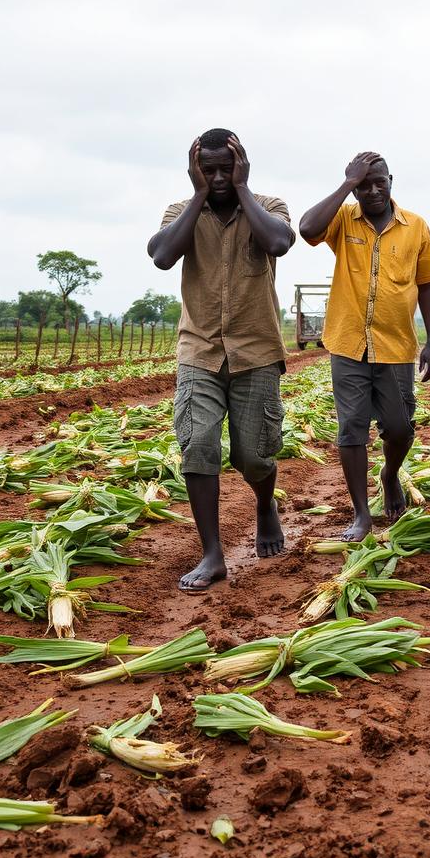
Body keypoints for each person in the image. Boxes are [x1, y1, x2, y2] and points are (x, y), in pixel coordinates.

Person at [148, 128, 295, 591]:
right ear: (194, 171)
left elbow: (279, 243)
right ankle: (212, 553)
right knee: (198, 444)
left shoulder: (268, 207)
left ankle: (264, 504)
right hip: (200, 349)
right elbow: (162, 256)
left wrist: (244, 188)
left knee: (253, 455)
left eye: (224, 169)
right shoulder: (182, 212)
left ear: (242, 165)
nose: (217, 178)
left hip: (256, 350)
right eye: (206, 170)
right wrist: (196, 195)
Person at [299, 153, 430, 541]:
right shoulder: (343, 218)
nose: (373, 190)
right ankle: (361, 514)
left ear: (391, 180)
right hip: (348, 343)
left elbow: (426, 284)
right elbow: (307, 229)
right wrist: (346, 185)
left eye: (379, 182)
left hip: (396, 347)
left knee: (399, 429)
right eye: (364, 184)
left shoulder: (416, 226)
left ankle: (389, 473)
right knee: (352, 430)